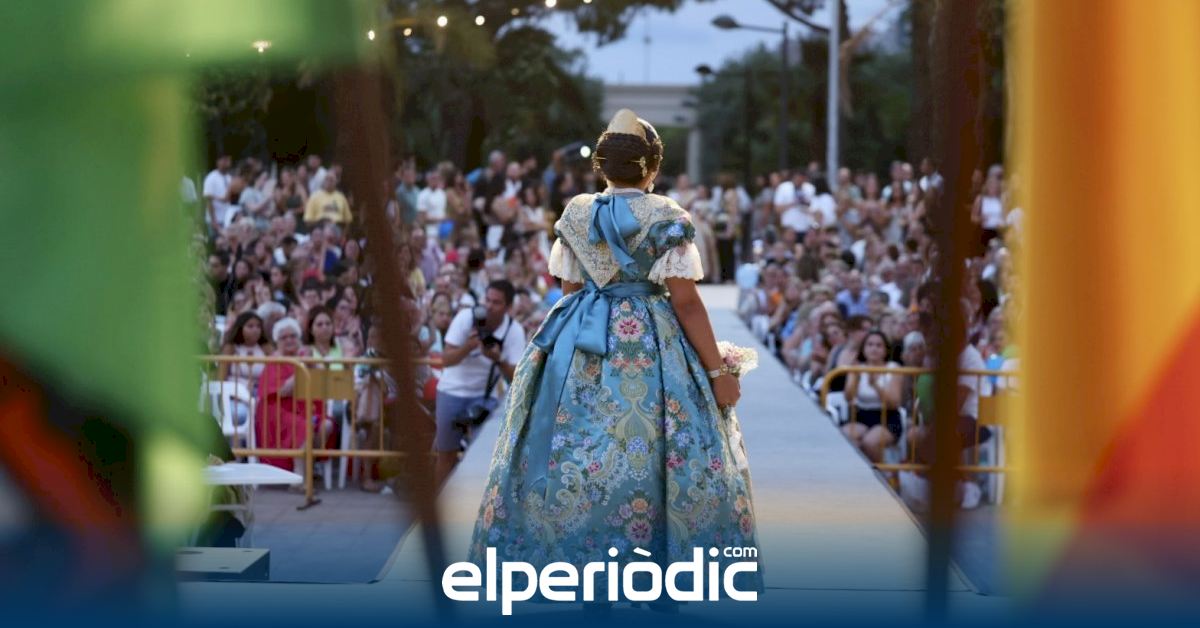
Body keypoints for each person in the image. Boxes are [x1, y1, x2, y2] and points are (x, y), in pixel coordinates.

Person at [466, 109, 762, 612]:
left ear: (601, 167)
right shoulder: (667, 215)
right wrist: (716, 372)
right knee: (659, 456)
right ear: (652, 167)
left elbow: (570, 288)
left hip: (583, 337)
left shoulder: (577, 212)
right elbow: (686, 302)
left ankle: (592, 581)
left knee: (583, 458)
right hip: (654, 344)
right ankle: (661, 582)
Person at [435, 279, 525, 485]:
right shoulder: (466, 318)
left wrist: (498, 359)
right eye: (487, 300)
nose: (489, 306)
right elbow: (446, 360)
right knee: (446, 455)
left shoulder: (514, 331)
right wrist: (469, 346)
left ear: (508, 307)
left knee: (485, 455)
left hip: (484, 396)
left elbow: (516, 377)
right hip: (451, 391)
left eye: (496, 302)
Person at [842, 330, 903, 463]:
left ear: (886, 350)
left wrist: (875, 385)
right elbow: (848, 397)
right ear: (864, 349)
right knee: (845, 438)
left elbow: (894, 403)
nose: (873, 349)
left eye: (878, 345)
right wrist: (855, 378)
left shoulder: (894, 368)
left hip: (887, 417)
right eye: (869, 345)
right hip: (861, 415)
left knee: (870, 442)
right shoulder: (857, 368)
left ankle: (882, 473)